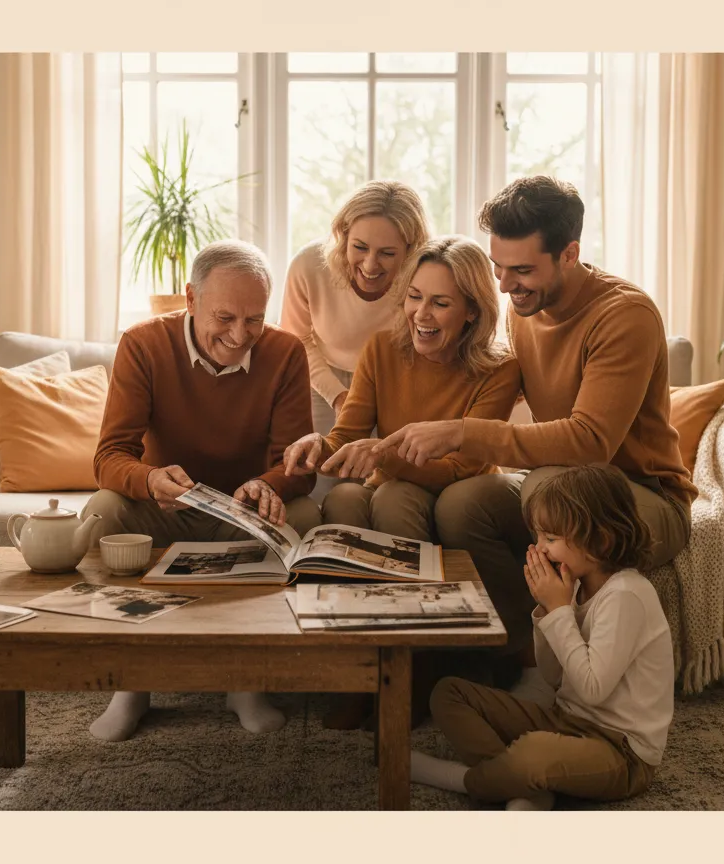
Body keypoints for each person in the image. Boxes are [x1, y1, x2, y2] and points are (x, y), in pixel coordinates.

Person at [373, 175, 695, 681]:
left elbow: (590, 442)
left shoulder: (623, 316)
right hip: (565, 483)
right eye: (499, 268)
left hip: (643, 495)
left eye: (521, 270)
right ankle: (509, 653)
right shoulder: (526, 309)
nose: (504, 286)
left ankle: (554, 673)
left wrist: (461, 431)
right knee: (466, 502)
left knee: (548, 486)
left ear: (570, 254)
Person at [81, 239, 322, 741]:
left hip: (244, 509)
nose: (240, 336)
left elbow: (297, 467)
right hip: (164, 506)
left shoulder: (284, 352)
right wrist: (148, 479)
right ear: (190, 299)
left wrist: (266, 484)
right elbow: (109, 460)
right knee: (102, 511)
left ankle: (247, 682)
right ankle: (131, 685)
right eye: (225, 317)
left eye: (254, 319)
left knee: (302, 520)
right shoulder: (143, 343)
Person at [283, 236, 521, 728]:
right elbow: (347, 433)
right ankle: (356, 673)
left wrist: (385, 453)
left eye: (440, 302)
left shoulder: (500, 368)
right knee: (347, 499)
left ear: (472, 311)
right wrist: (316, 446)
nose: (421, 314)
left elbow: (464, 467)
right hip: (393, 479)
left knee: (392, 498)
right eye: (414, 296)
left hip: (456, 488)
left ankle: (409, 675)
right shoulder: (382, 351)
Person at [409, 464, 674, 810]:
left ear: (600, 540)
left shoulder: (626, 594)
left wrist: (559, 610)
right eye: (537, 537)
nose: (539, 549)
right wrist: (548, 611)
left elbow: (593, 689)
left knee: (533, 752)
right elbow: (552, 676)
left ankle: (468, 780)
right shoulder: (575, 586)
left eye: (551, 538)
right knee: (448, 693)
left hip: (621, 750)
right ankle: (528, 787)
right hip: (565, 720)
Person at [279, 180, 431, 498]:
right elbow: (297, 340)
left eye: (388, 253)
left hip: (392, 380)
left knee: (380, 484)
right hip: (324, 378)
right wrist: (338, 396)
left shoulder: (425, 275)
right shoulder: (308, 266)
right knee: (318, 479)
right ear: (343, 236)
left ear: (410, 249)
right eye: (360, 247)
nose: (371, 264)